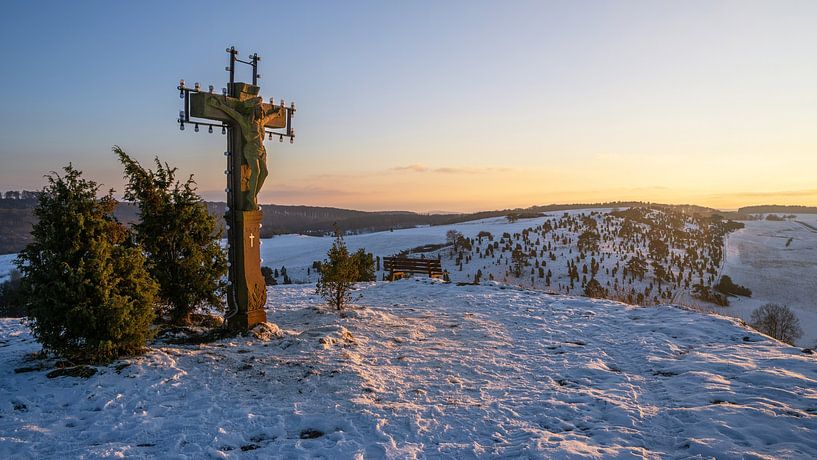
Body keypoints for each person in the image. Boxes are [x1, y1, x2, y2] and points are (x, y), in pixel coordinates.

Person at [208, 94, 285, 210]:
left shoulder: (261, 122)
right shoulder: (246, 122)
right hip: (251, 150)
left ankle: (252, 196)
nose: (262, 112)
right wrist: (220, 106)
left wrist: (276, 113)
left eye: (262, 110)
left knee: (264, 173)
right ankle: (250, 197)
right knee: (256, 171)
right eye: (260, 109)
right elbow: (234, 114)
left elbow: (270, 117)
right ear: (254, 110)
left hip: (262, 151)